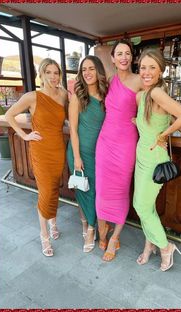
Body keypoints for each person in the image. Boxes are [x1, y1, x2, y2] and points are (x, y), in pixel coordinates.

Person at [133, 48, 181, 271]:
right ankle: (150, 246)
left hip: (153, 159)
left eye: (152, 68)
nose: (146, 72)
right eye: (143, 67)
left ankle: (165, 246)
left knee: (141, 206)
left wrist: (162, 136)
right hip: (142, 156)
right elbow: (166, 117)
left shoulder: (157, 93)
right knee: (146, 207)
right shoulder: (143, 96)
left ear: (160, 71)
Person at [5, 58, 68, 257]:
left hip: (58, 148)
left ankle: (53, 223)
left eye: (56, 72)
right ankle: (44, 236)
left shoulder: (64, 94)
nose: (53, 76)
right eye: (48, 72)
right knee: (45, 191)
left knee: (54, 187)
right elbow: (9, 115)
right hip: (40, 150)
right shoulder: (32, 96)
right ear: (41, 75)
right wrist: (24, 135)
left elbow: (69, 117)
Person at [95, 39, 143, 261]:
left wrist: (139, 119)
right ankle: (103, 229)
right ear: (112, 58)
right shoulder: (110, 81)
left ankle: (115, 237)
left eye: (127, 53)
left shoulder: (140, 80)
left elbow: (157, 106)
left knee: (121, 190)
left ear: (131, 57)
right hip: (105, 142)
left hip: (125, 144)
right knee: (103, 189)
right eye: (119, 53)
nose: (124, 57)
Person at [67, 55, 108, 253]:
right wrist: (76, 157)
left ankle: (88, 224)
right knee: (84, 191)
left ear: (99, 71)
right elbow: (73, 130)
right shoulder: (77, 97)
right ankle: (90, 228)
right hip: (79, 152)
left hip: (100, 153)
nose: (87, 73)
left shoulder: (106, 96)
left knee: (96, 192)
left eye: (91, 68)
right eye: (84, 69)